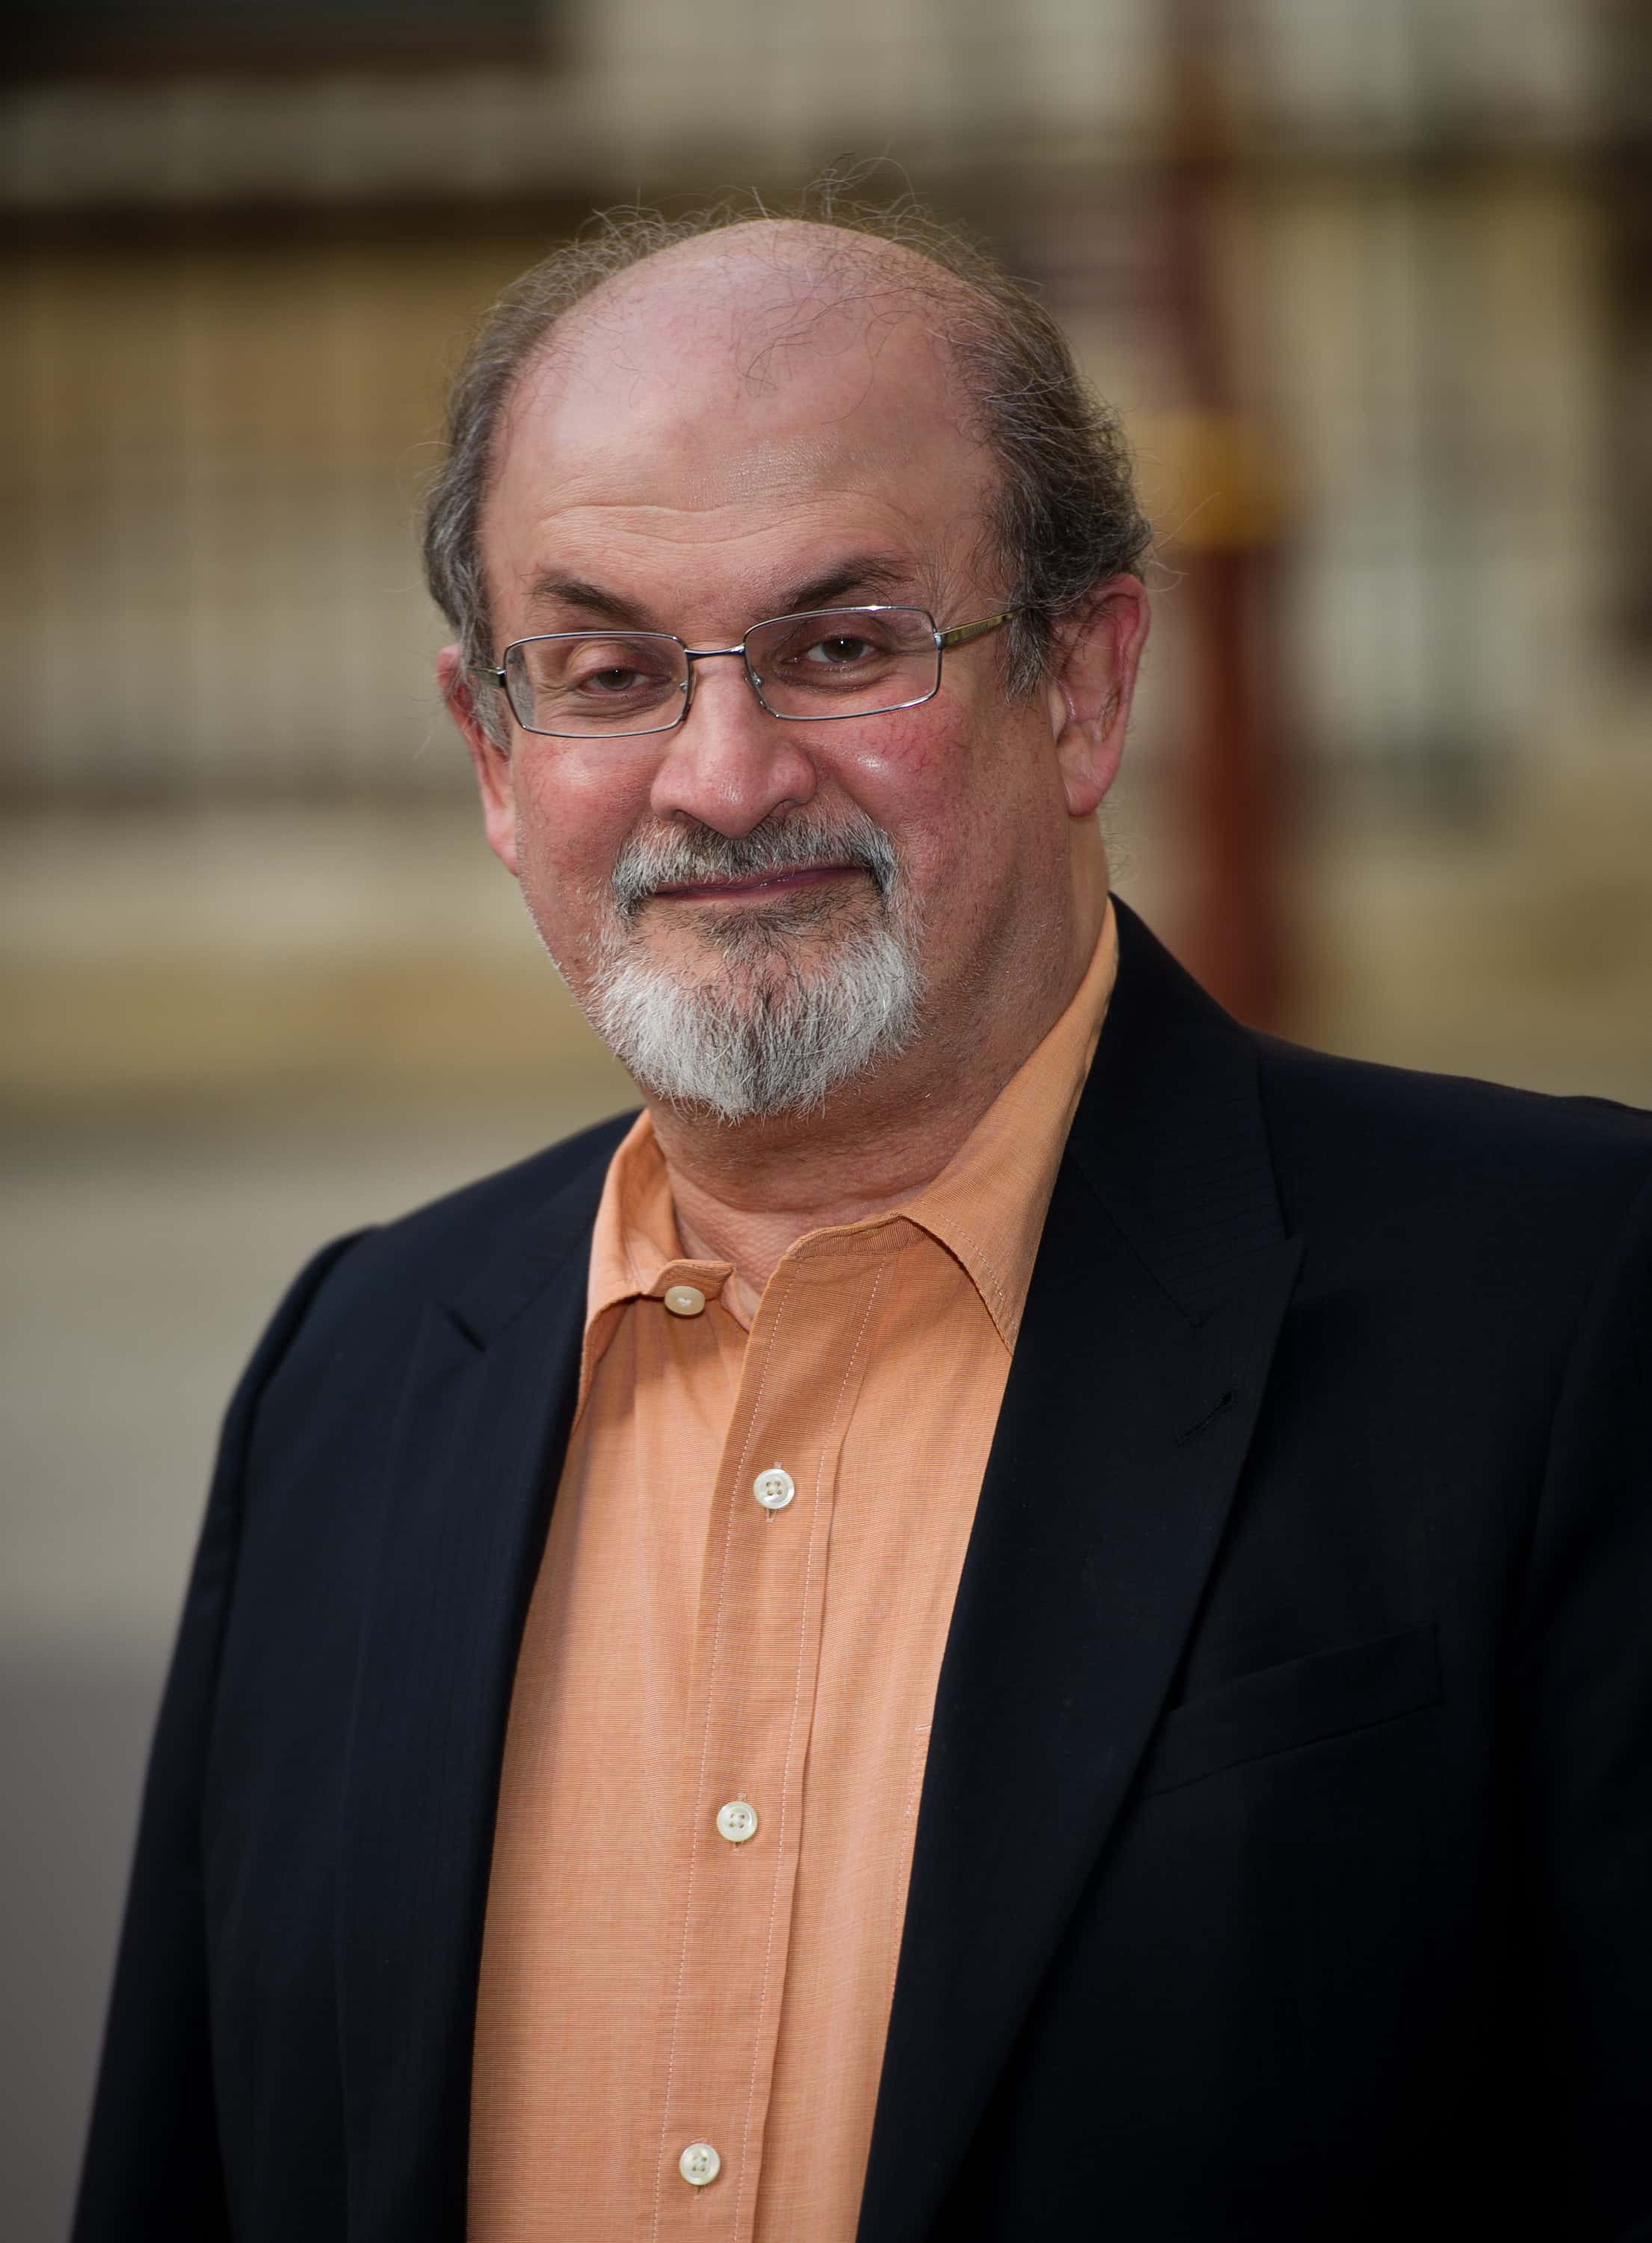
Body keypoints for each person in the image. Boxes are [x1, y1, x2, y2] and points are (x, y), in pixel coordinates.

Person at [75, 200, 1651, 2243]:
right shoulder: (355, 1367)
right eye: (606, 668)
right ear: (492, 753)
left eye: (839, 647)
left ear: (1082, 687)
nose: (720, 780)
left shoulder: (1565, 1309)